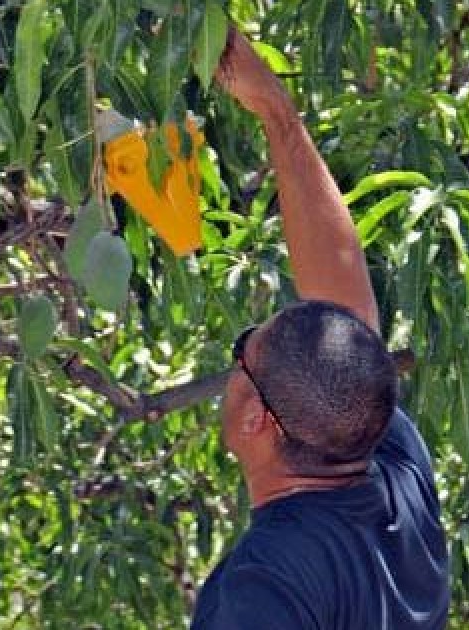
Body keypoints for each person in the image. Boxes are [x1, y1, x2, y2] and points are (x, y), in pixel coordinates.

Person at [190, 29, 450, 629]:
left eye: (240, 354)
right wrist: (276, 114)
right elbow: (347, 324)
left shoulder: (267, 582)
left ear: (258, 419)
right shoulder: (391, 478)